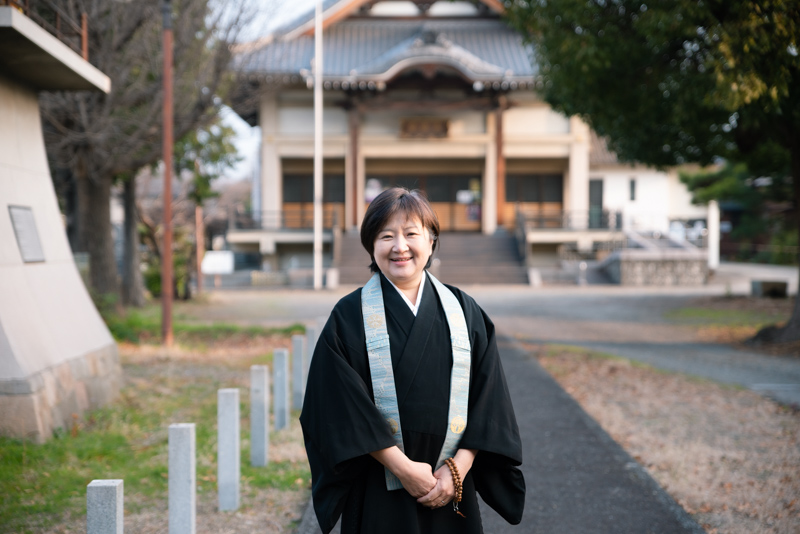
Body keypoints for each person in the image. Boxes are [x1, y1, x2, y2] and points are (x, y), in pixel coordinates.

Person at [300, 188, 525, 534]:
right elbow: (337, 406)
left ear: (431, 240)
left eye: (411, 234)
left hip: (452, 486)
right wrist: (402, 468)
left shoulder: (465, 310)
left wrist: (458, 469)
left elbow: (489, 400)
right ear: (371, 246)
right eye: (386, 236)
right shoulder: (348, 315)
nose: (399, 247)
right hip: (377, 485)